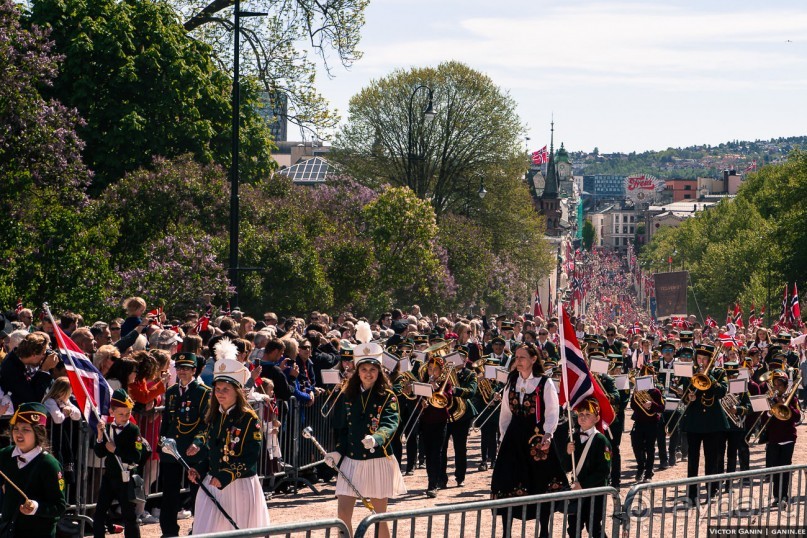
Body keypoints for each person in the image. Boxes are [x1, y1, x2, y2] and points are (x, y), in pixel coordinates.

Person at [325, 326, 405, 538]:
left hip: (377, 458)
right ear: (357, 371)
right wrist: (338, 451)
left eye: (372, 370)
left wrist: (376, 438)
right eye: (364, 370)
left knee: (379, 516)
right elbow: (341, 428)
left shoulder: (388, 396)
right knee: (342, 514)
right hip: (351, 460)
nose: (368, 374)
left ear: (379, 372)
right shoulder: (346, 395)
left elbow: (390, 423)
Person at [186, 340, 270, 532]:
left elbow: (250, 455)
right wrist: (200, 468)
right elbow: (213, 449)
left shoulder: (248, 418)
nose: (220, 394)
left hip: (238, 485)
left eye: (226, 390)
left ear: (237, 392)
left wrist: (227, 475)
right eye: (217, 389)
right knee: (206, 530)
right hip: (214, 481)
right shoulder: (215, 415)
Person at [491, 342, 567, 538]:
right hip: (514, 439)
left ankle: (544, 529)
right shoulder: (512, 381)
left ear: (534, 359)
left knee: (539, 480)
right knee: (507, 479)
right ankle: (506, 530)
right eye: (516, 357)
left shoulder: (545, 383)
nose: (518, 361)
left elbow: (552, 412)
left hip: (536, 438)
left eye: (522, 357)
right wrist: (503, 438)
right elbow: (505, 413)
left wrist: (548, 434)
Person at [158, 352, 211, 537]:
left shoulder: (204, 393)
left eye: (186, 368)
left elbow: (206, 424)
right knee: (169, 493)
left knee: (197, 492)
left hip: (193, 450)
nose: (182, 372)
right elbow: (166, 421)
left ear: (194, 371)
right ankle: (169, 531)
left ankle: (199, 529)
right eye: (179, 368)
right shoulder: (171, 392)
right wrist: (162, 442)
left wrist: (198, 443)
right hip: (172, 450)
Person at [0, 402, 66, 537]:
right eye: (16, 428)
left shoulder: (49, 464)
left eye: (26, 429)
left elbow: (59, 507)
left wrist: (36, 507)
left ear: (38, 433)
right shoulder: (5, 455)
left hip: (38, 533)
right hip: (9, 531)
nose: (19, 434)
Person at [93, 389, 144, 538]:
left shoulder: (133, 430)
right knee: (100, 513)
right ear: (112, 412)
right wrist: (100, 436)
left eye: (128, 413)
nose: (125, 417)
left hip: (126, 477)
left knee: (129, 516)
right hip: (110, 476)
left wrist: (116, 450)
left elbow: (136, 455)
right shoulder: (108, 428)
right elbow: (100, 452)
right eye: (121, 414)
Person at [563, 398, 612, 538]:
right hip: (576, 492)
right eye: (580, 414)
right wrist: (567, 453)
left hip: (595, 492)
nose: (583, 417)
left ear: (596, 418)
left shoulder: (601, 440)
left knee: (594, 528)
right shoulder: (572, 437)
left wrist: (583, 485)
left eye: (588, 414)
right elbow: (566, 467)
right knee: (573, 528)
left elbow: (604, 470)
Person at [764, 369, 800, 509]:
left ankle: (784, 496)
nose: (777, 388)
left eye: (780, 385)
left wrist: (787, 404)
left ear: (786, 386)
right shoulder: (770, 399)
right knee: (774, 468)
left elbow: (797, 417)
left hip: (788, 438)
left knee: (785, 468)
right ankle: (776, 497)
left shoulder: (792, 398)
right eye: (775, 385)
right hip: (773, 438)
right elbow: (763, 419)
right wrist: (769, 410)